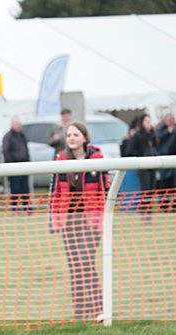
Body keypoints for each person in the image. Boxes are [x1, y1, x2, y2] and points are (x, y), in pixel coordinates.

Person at [48, 122, 109, 321]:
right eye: (68, 135)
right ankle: (80, 312)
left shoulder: (97, 160)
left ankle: (99, 308)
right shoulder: (61, 160)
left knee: (85, 261)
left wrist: (104, 219)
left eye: (75, 134)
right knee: (75, 265)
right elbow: (55, 191)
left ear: (84, 137)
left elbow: (105, 189)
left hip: (92, 220)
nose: (71, 138)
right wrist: (54, 220)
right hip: (69, 221)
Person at [125, 113, 158, 218]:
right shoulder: (137, 135)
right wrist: (140, 157)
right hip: (143, 167)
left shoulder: (152, 135)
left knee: (151, 192)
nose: (149, 124)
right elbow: (129, 151)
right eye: (146, 121)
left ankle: (149, 215)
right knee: (145, 192)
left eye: (149, 121)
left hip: (153, 166)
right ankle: (144, 215)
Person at [2, 116, 31, 212]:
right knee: (15, 190)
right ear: (12, 125)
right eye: (16, 124)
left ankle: (27, 209)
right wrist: (12, 165)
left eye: (19, 124)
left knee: (25, 189)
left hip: (24, 167)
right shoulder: (7, 136)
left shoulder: (22, 135)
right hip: (13, 168)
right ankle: (15, 209)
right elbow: (6, 151)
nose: (18, 126)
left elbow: (26, 149)